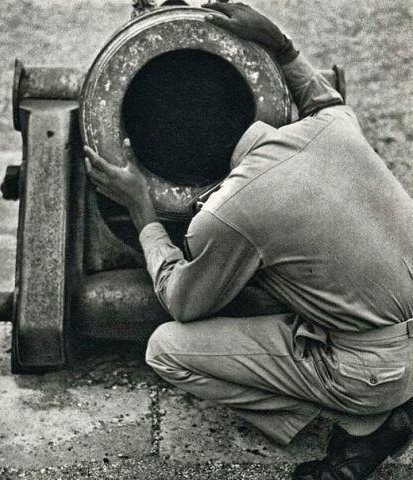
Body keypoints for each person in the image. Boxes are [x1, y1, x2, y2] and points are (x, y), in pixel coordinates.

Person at [84, 3, 413, 479]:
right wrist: (280, 46)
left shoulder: (226, 216)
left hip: (368, 372)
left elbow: (183, 303)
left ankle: (361, 423)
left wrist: (142, 210)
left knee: (165, 349)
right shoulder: (335, 127)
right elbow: (322, 99)